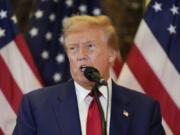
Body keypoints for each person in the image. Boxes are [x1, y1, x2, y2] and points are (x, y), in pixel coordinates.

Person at [13, 15, 166, 135]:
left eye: (90, 46)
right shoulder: (36, 106)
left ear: (112, 54)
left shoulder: (144, 109)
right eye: (73, 48)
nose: (81, 55)